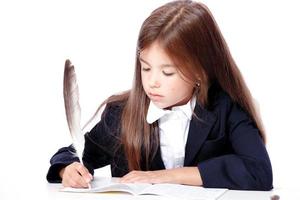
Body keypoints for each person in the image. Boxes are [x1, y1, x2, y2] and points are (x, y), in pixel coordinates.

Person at [46, 0, 273, 190]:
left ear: (199, 71)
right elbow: (73, 154)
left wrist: (166, 176)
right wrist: (69, 168)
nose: (152, 82)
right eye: (145, 68)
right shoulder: (122, 114)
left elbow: (259, 171)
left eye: (167, 72)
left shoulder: (226, 108)